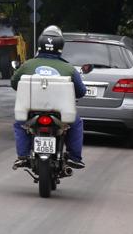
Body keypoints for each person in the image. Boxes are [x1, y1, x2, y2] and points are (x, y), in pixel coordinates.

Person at [9, 25, 86, 170]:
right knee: (76, 123)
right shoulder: (69, 69)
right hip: (60, 115)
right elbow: (81, 92)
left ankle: (23, 156)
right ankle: (75, 158)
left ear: (40, 45)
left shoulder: (27, 65)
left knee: (19, 123)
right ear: (60, 47)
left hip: (31, 112)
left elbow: (14, 84)